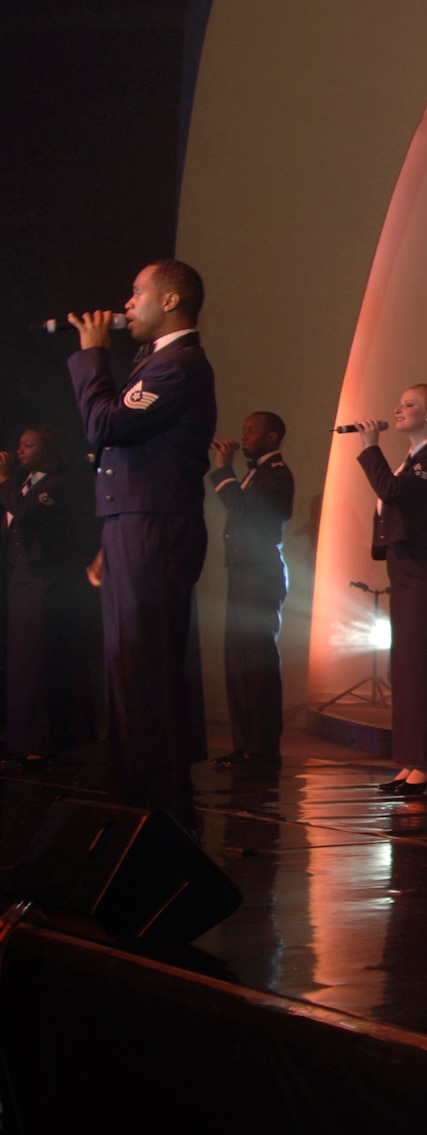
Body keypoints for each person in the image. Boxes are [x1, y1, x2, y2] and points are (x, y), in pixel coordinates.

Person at [67, 259, 217, 826]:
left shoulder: (179, 366)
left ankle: (156, 806)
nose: (126, 305)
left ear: (172, 299)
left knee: (143, 662)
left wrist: (90, 356)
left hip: (154, 526)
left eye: (136, 294)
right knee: (125, 664)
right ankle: (135, 799)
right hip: (133, 522)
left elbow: (105, 427)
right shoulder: (153, 363)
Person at [352, 386, 427, 796]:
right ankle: (413, 759)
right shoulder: (411, 460)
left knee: (425, 668)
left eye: (409, 404)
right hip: (406, 571)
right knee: (408, 669)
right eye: (399, 404)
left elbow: (394, 494)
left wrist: (369, 448)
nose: (398, 409)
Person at [207, 411, 295, 767]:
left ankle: (262, 746)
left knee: (256, 659)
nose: (244, 436)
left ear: (273, 437)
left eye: (252, 431)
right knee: (239, 659)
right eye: (243, 430)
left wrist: (223, 469)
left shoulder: (277, 475)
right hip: (243, 570)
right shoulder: (255, 473)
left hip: (260, 572)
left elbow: (245, 512)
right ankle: (246, 744)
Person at [5, 426, 96, 764]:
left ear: (49, 451)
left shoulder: (59, 483)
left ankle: (42, 740)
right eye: (19, 444)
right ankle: (23, 737)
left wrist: (2, 481)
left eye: (29, 445)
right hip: (22, 574)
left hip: (47, 578)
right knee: (21, 661)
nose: (20, 451)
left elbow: (26, 512)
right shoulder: (24, 483)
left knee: (37, 659)